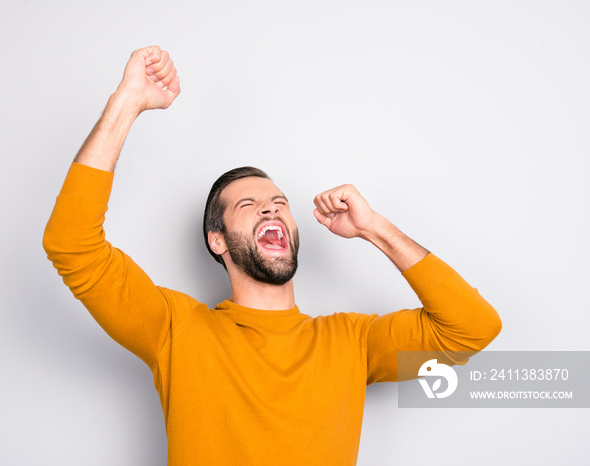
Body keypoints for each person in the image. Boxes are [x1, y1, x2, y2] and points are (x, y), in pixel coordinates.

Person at [43, 46, 502, 465]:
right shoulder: (175, 330)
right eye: (249, 205)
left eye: (280, 203)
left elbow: (472, 329)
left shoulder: (352, 343)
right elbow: (71, 243)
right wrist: (128, 102)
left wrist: (375, 229)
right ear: (217, 241)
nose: (271, 207)